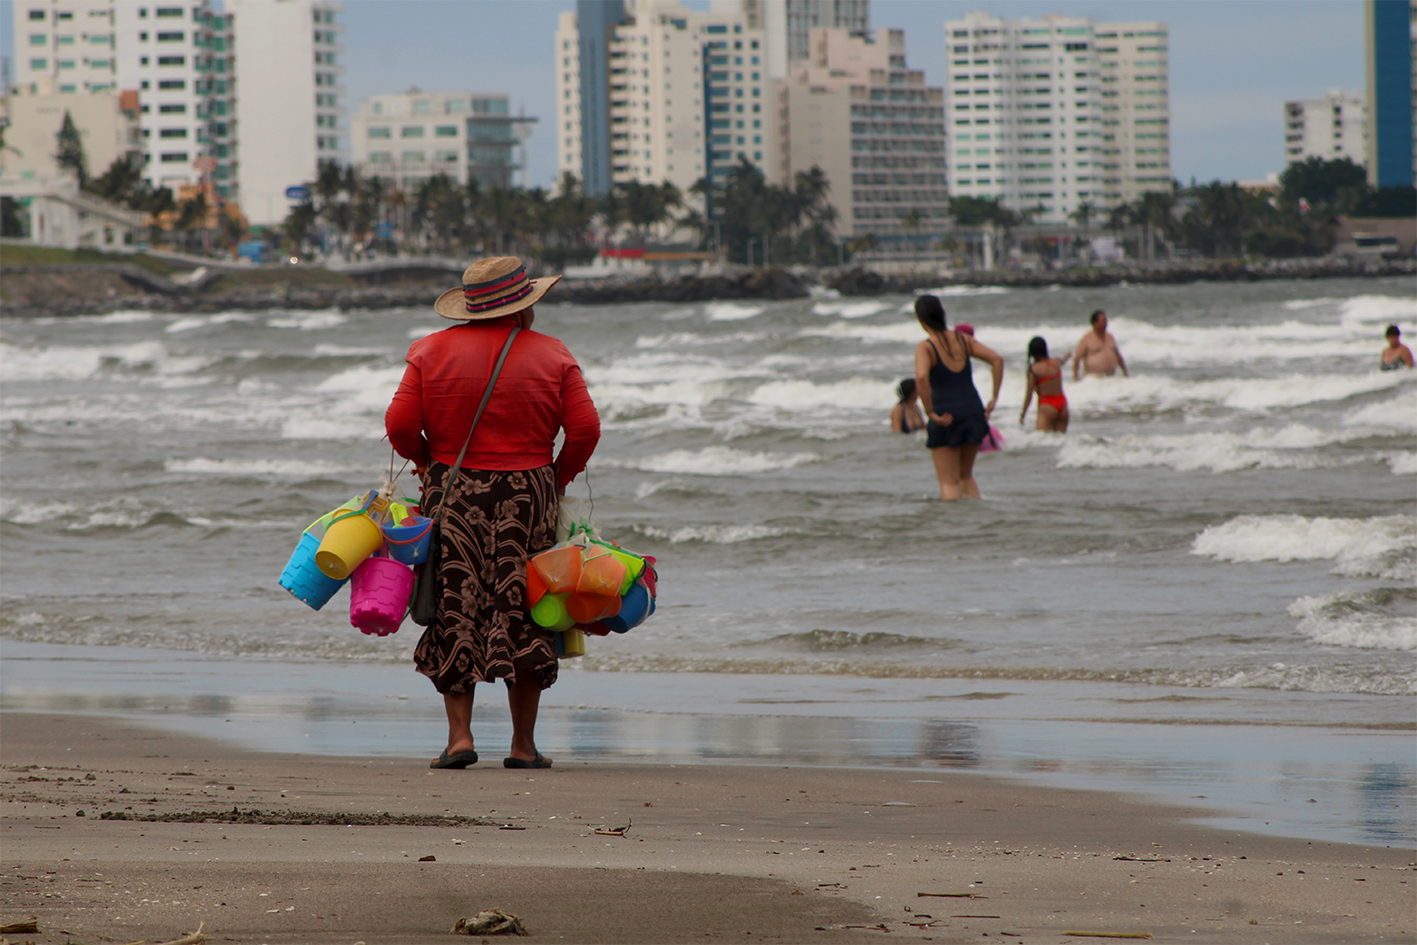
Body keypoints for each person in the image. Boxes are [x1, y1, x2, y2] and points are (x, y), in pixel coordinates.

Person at [385, 256, 600, 771]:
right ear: (524, 306)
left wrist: (424, 463)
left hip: (453, 490)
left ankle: (460, 739)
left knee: (453, 601)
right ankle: (523, 747)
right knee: (526, 608)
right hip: (529, 496)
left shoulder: (428, 352)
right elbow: (585, 429)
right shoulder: (553, 354)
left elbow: (398, 423)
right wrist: (556, 477)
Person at [912, 295, 1004, 500]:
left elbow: (921, 377)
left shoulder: (926, 347)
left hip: (945, 415)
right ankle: (974, 524)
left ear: (921, 319)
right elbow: (997, 359)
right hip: (973, 411)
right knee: (966, 477)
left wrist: (929, 412)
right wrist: (994, 397)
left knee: (949, 482)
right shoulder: (964, 339)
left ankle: (954, 529)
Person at [1018, 336, 1071, 432]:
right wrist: (1068, 353)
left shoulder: (1034, 370)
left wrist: (1023, 414)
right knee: (1061, 442)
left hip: (1047, 405)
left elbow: (1029, 395)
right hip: (1063, 404)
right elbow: (1064, 359)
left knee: (1042, 441)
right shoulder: (1056, 362)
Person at [1073, 309, 1129, 380]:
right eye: (1103, 321)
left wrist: (1125, 371)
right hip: (1093, 379)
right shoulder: (1087, 339)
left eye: (1106, 321)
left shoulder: (1110, 337)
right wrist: (1075, 377)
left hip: (1110, 378)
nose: (1105, 323)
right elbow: (1077, 358)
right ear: (1095, 323)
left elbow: (1117, 355)